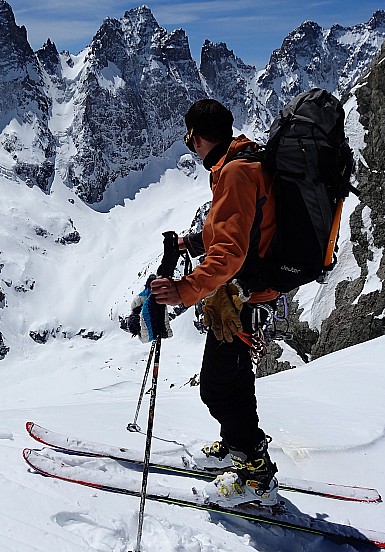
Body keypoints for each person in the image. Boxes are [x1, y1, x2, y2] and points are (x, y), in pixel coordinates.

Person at [150, 99, 279, 507]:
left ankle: (257, 476)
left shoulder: (237, 173)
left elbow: (230, 254)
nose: (188, 142)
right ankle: (238, 448)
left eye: (189, 135)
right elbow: (234, 227)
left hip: (244, 297)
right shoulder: (239, 163)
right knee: (232, 381)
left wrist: (184, 291)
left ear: (198, 136)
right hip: (243, 294)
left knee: (219, 388)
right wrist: (191, 242)